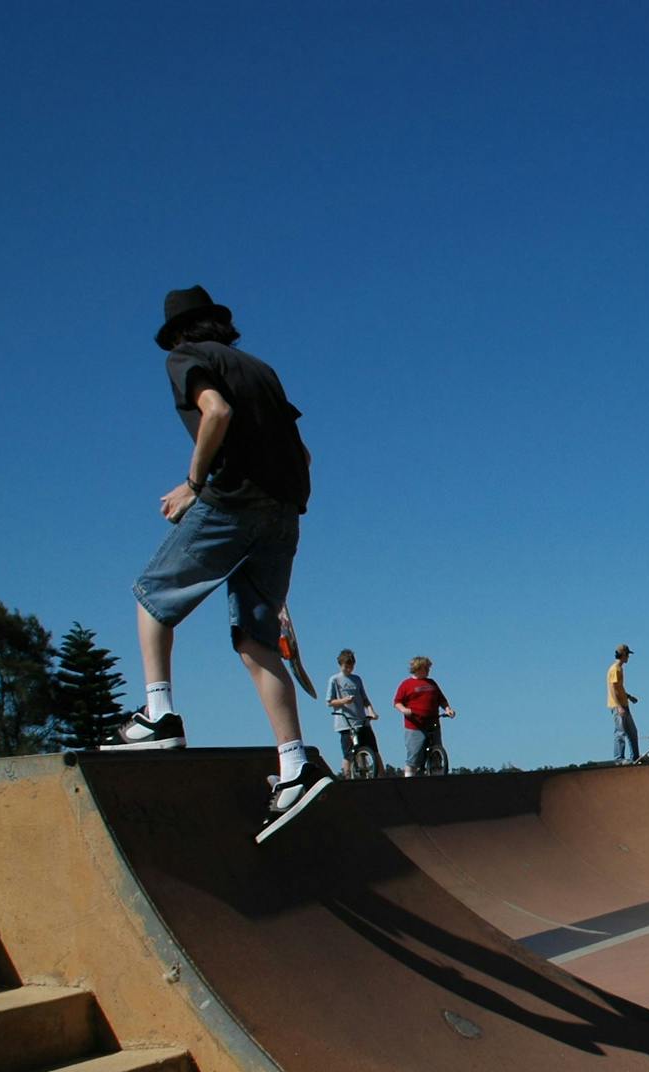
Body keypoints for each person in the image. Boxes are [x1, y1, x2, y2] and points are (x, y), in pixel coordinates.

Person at [102, 285, 330, 843]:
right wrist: (280, 508)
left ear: (179, 334)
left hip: (235, 499)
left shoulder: (186, 359)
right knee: (255, 640)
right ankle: (296, 766)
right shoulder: (262, 369)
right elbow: (304, 454)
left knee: (152, 596)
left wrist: (193, 485)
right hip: (285, 509)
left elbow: (216, 411)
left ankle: (159, 715)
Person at [393, 656, 455, 776]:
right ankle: (409, 778)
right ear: (417, 669)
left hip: (433, 722)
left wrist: (448, 709)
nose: (428, 670)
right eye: (426, 668)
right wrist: (404, 710)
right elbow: (397, 702)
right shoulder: (406, 684)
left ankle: (437, 776)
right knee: (414, 755)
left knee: (437, 753)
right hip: (415, 725)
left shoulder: (431, 683)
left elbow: (441, 699)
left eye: (428, 668)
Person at [327, 649, 382, 777]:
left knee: (373, 749)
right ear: (340, 665)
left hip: (361, 721)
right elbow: (330, 702)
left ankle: (380, 775)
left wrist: (372, 712)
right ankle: (347, 777)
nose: (348, 669)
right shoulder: (334, 680)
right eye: (346, 666)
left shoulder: (357, 679)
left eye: (351, 666)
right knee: (348, 754)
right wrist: (343, 701)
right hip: (345, 723)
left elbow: (364, 698)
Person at [608, 644, 639, 763]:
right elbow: (613, 689)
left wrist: (629, 697)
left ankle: (635, 757)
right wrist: (619, 706)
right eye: (627, 655)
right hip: (618, 706)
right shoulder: (615, 669)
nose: (628, 658)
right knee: (620, 732)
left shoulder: (620, 668)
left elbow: (619, 688)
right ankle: (619, 759)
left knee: (632, 731)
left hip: (624, 704)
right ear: (623, 655)